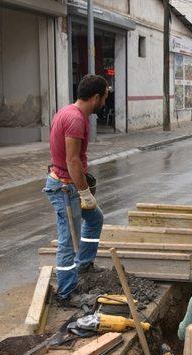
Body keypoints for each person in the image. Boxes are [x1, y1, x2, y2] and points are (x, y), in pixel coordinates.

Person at [43, 74, 108, 302]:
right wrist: (84, 193)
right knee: (69, 241)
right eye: (105, 97)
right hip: (65, 187)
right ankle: (66, 293)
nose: (105, 103)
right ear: (96, 97)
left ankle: (84, 265)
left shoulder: (70, 112)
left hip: (70, 184)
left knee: (95, 219)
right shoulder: (75, 119)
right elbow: (72, 161)